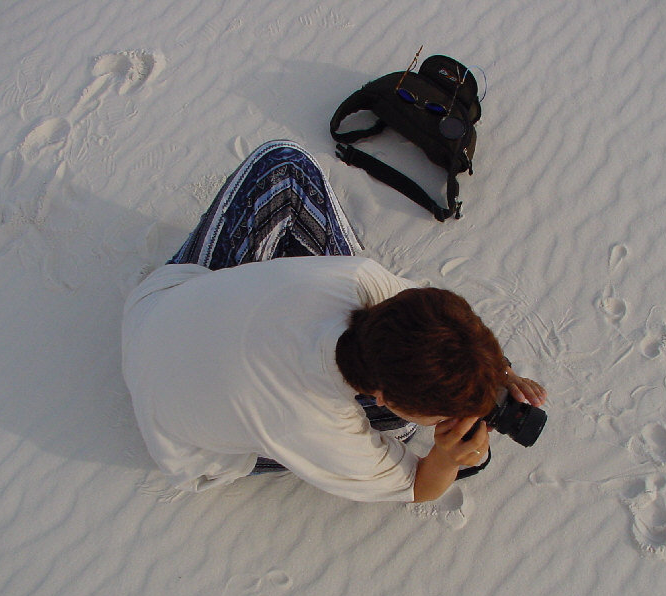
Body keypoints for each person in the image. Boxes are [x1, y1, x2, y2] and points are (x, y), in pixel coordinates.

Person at [122, 140, 546, 503]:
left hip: (162, 303)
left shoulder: (358, 278)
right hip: (178, 440)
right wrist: (447, 458)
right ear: (379, 396)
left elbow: (431, 320)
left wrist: (493, 370)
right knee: (399, 430)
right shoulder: (316, 425)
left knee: (284, 162)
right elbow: (421, 487)